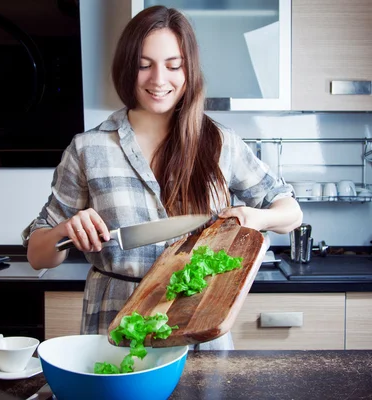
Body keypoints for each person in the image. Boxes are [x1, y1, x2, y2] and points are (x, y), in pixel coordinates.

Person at [21, 6, 302, 350]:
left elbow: (291, 212)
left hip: (197, 321)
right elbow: (38, 254)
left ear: (189, 70)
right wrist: (66, 231)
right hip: (116, 326)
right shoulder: (88, 148)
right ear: (127, 67)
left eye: (173, 66)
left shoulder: (219, 142)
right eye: (144, 65)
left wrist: (254, 217)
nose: (158, 80)